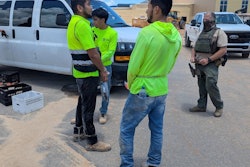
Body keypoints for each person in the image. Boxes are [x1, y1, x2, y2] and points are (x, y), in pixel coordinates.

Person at [119, 0, 182, 166]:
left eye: (148, 7)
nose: (146, 11)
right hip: (161, 88)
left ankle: (126, 164)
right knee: (157, 130)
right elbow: (171, 65)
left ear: (156, 9)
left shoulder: (147, 33)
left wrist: (131, 84)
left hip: (142, 88)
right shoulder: (176, 35)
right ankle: (154, 163)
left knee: (126, 128)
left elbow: (133, 66)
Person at [66, 0, 111, 152]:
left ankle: (78, 131)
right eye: (88, 4)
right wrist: (103, 70)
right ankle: (92, 141)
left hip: (80, 72)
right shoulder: (83, 24)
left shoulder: (73, 22)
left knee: (82, 102)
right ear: (79, 8)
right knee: (88, 107)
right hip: (88, 73)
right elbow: (93, 53)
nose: (91, 8)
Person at [189, 12, 227, 117]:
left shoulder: (219, 33)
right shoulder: (201, 33)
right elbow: (194, 47)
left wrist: (209, 60)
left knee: (211, 85)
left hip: (211, 64)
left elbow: (223, 50)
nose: (205, 20)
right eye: (204, 18)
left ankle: (219, 106)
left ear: (213, 20)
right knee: (201, 85)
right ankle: (201, 105)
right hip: (199, 64)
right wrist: (193, 57)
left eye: (208, 18)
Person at [92, 7, 118, 124]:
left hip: (105, 67)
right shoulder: (91, 30)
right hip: (91, 66)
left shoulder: (112, 33)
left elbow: (111, 51)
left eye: (96, 19)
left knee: (105, 91)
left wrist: (98, 60)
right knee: (89, 90)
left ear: (103, 20)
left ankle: (103, 112)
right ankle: (86, 113)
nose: (94, 22)